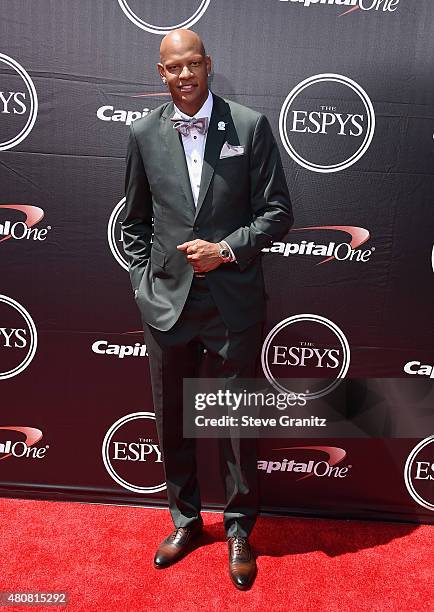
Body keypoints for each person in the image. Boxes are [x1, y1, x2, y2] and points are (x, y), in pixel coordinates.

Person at [122, 28, 293, 590]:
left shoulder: (248, 125)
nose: (185, 75)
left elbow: (277, 213)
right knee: (173, 417)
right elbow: (135, 222)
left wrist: (226, 250)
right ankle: (186, 520)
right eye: (174, 68)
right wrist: (146, 283)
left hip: (233, 300)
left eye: (193, 64)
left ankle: (240, 526)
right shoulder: (145, 132)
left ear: (208, 65)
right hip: (168, 304)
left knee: (235, 422)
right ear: (161, 73)